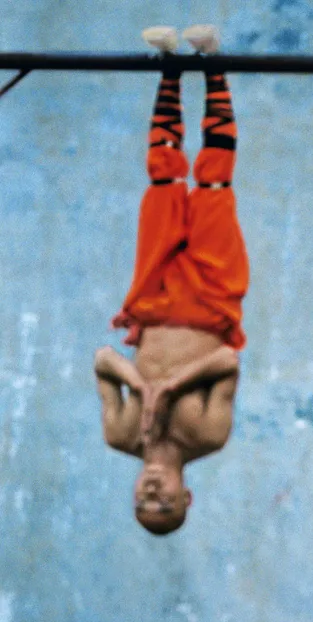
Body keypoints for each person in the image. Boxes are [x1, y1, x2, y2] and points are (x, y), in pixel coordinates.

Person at [95, 25, 247, 536]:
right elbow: (226, 361)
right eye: (166, 505)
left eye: (144, 505)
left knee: (163, 182)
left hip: (153, 300)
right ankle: (213, 64)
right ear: (187, 496)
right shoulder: (207, 437)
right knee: (212, 183)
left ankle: (169, 70)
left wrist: (140, 385)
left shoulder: (120, 435)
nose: (153, 496)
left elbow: (103, 360)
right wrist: (171, 390)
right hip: (211, 301)